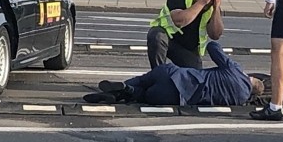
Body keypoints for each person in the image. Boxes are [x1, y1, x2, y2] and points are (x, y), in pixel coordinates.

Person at [83, 41, 264, 106]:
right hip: (178, 96)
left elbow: (212, 46)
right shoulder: (240, 99)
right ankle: (127, 92)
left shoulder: (236, 71)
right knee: (145, 96)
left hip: (175, 74)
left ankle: (119, 88)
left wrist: (229, 60)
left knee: (141, 80)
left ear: (251, 78)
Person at [147, 0, 224, 70]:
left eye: (209, 4)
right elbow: (179, 21)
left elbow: (215, 35)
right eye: (207, 2)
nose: (206, 7)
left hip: (188, 48)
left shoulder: (211, 6)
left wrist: (216, 8)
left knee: (195, 78)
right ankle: (158, 74)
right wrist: (201, 2)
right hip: (168, 39)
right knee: (156, 36)